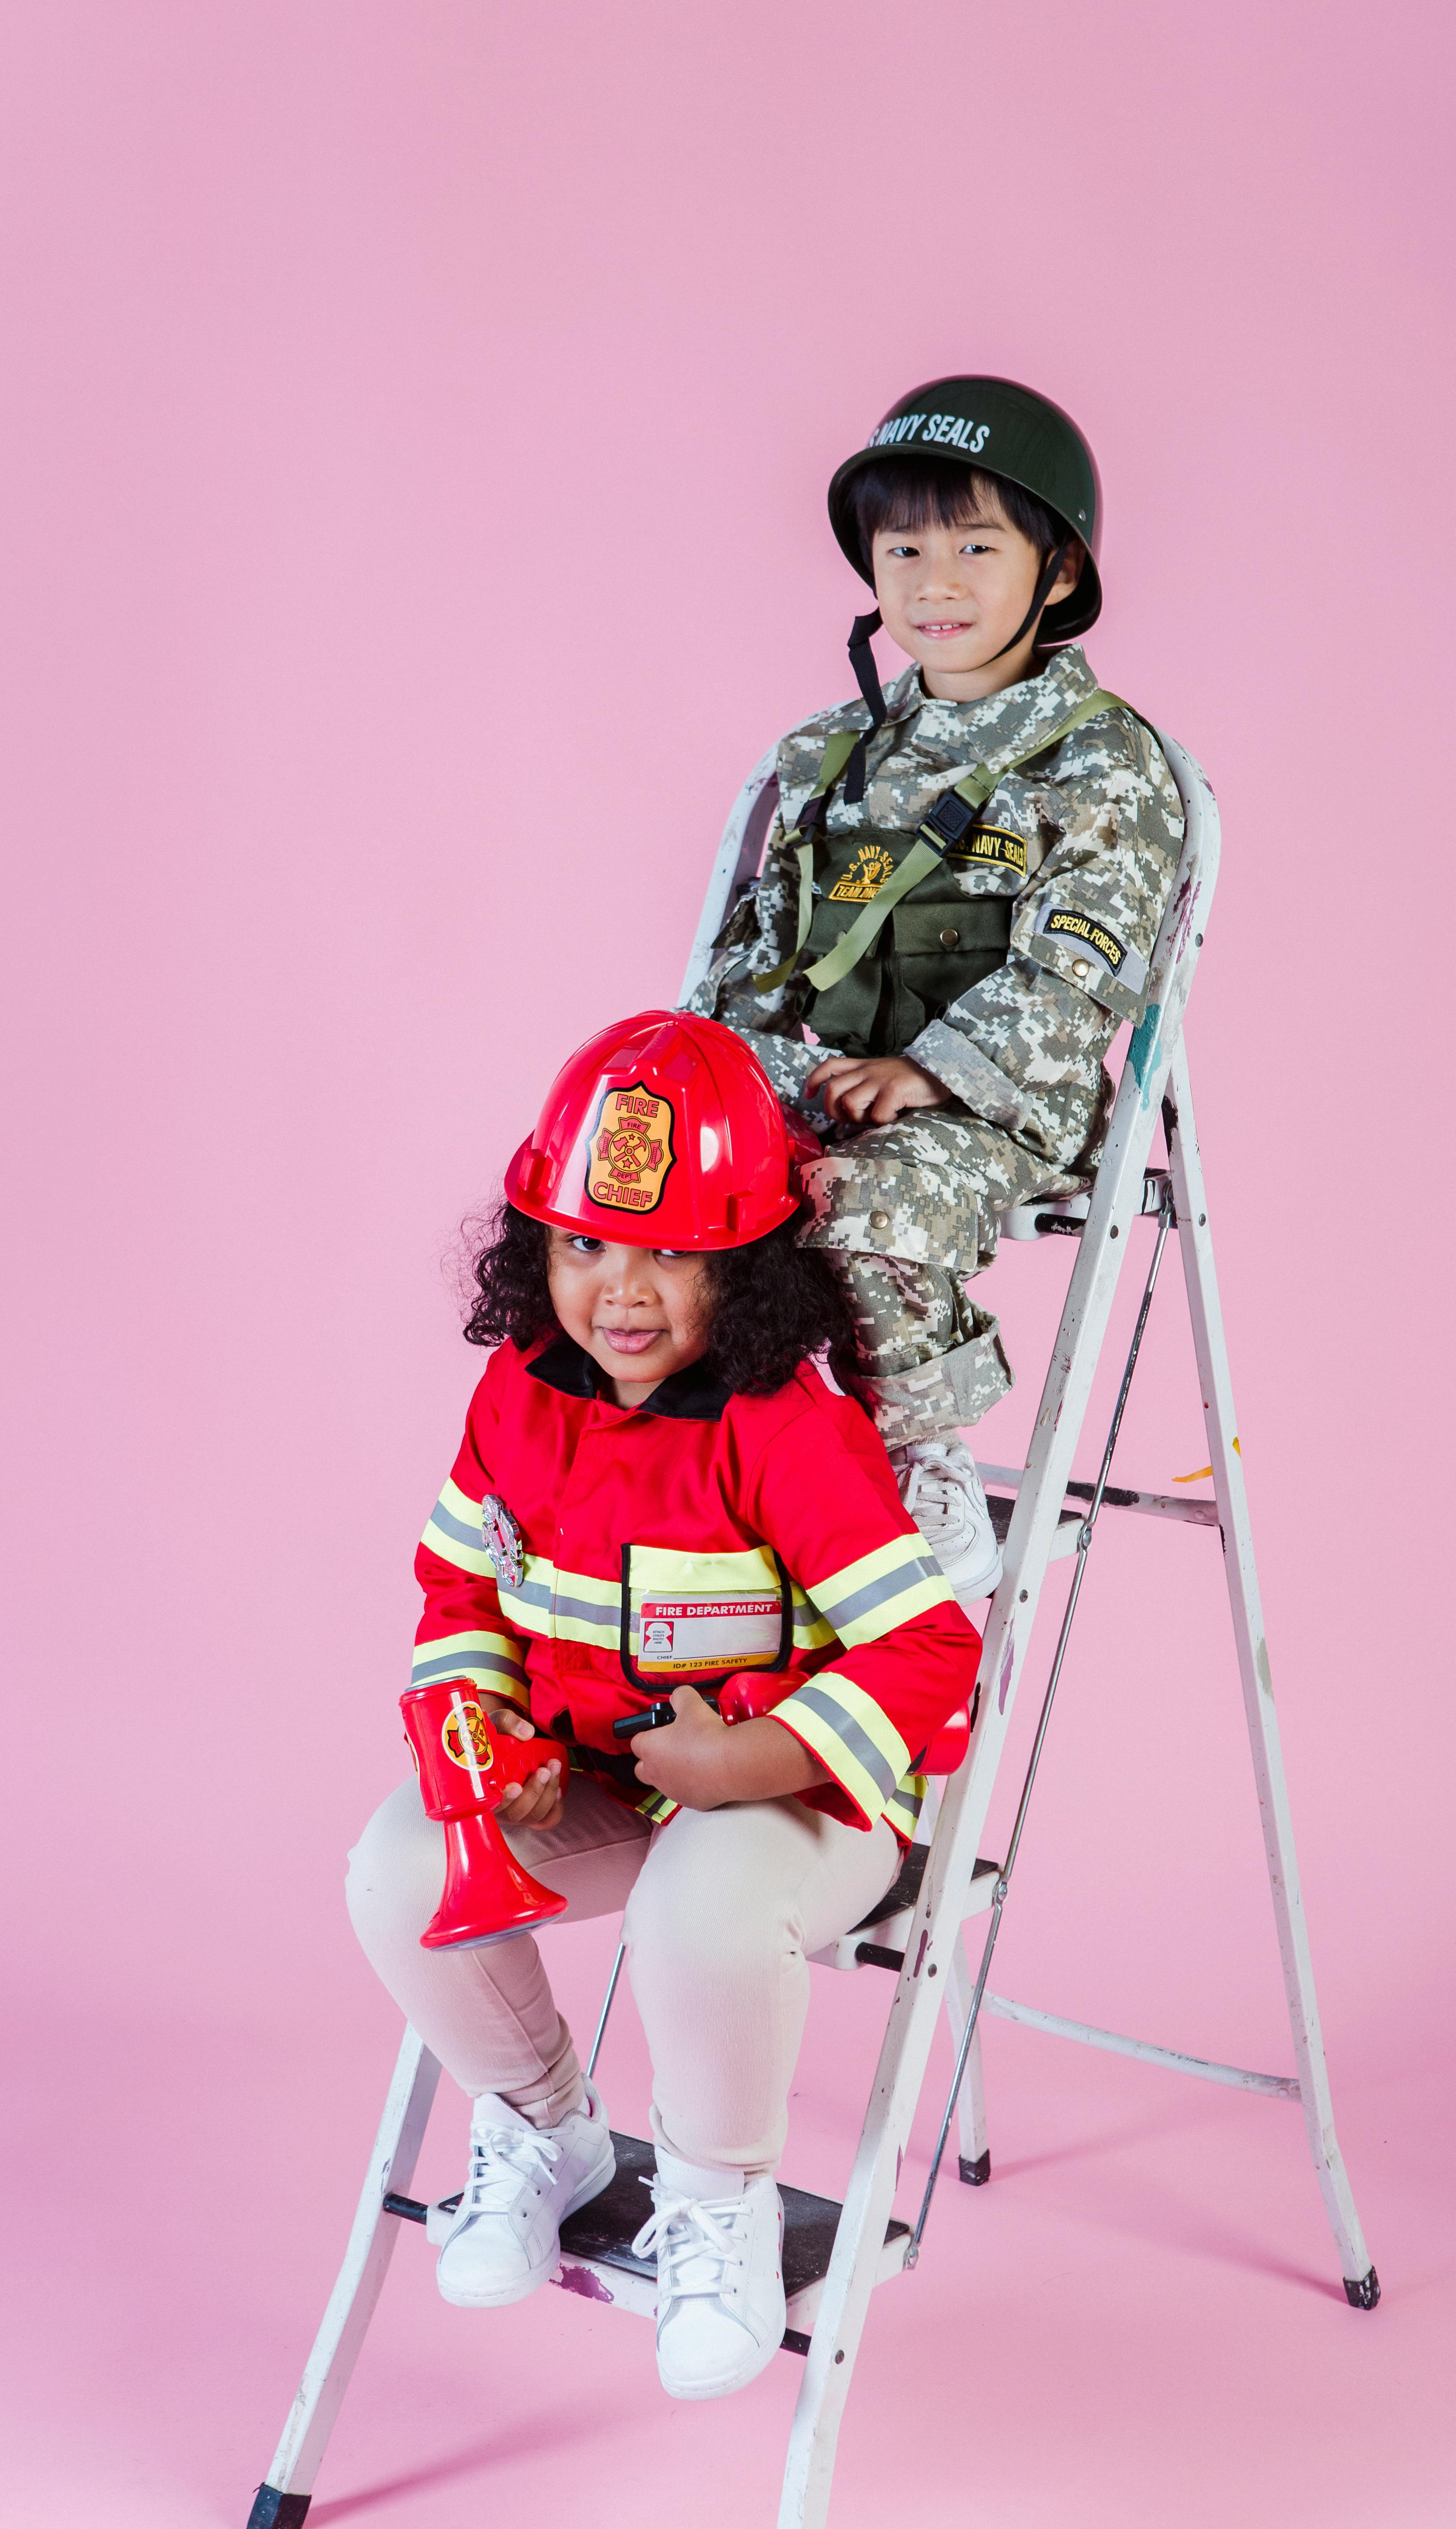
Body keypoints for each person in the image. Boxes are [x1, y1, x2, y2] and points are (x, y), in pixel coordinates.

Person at [346, 1010, 980, 2401]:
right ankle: (544, 2134)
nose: (619, 1291)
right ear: (538, 1248)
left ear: (741, 1269)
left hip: (799, 1800)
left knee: (698, 1908)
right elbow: (456, 1603)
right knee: (393, 1871)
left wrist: (747, 1757)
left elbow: (930, 1653)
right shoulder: (515, 1399)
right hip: (602, 1780)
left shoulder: (784, 1427)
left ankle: (717, 2209)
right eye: (585, 1244)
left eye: (672, 1255)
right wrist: (487, 1758)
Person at [688, 374, 1186, 1600]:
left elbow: (1078, 982)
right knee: (640, 1160)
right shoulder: (824, 755)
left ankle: (918, 1470)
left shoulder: (1102, 764)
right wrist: (702, 1089)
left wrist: (928, 1074)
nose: (934, 581)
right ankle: (690, 1464)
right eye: (903, 547)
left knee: (860, 1199)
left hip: (1005, 1103)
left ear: (1058, 571)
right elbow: (750, 958)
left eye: (976, 544)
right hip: (824, 1078)